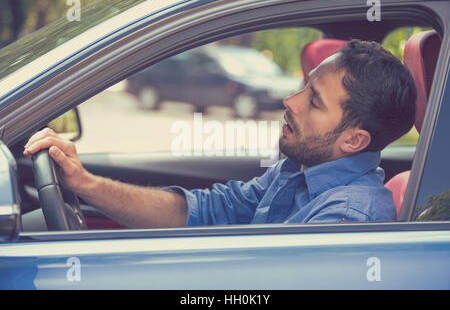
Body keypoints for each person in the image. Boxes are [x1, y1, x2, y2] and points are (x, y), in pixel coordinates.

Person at [23, 40, 417, 228]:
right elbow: (200, 212)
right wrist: (87, 184)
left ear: (354, 141)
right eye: (304, 86)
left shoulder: (346, 220)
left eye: (314, 101)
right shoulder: (296, 170)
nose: (290, 101)